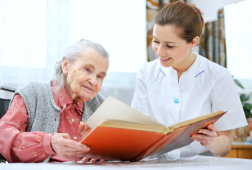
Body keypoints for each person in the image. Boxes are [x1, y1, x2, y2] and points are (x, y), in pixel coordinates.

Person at [131, 1, 247, 159]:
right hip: (155, 162)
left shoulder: (219, 76)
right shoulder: (146, 73)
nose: (159, 52)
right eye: (156, 41)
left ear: (193, 42)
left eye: (169, 46)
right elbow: (137, 129)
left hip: (200, 164)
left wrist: (213, 142)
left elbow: (225, 145)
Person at [0, 39, 109, 163]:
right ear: (66, 65)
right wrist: (48, 143)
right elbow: (3, 136)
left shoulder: (100, 105)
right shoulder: (33, 93)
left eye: (100, 76)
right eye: (87, 69)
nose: (94, 81)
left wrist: (105, 152)